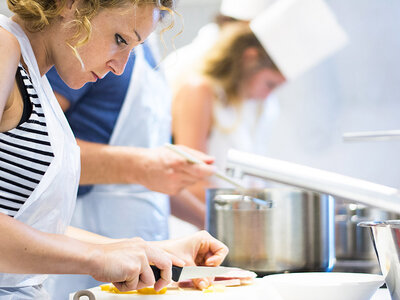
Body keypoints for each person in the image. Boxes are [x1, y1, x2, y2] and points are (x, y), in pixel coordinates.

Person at [0, 0, 228, 298]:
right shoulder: (3, 47)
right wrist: (96, 258)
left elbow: (29, 225)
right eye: (120, 39)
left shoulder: (33, 79)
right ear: (72, 5)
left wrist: (150, 251)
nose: (120, 67)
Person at [43, 20, 212, 300]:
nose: (120, 65)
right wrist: (141, 165)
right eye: (122, 40)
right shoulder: (81, 51)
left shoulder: (146, 48)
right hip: (78, 245)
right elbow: (44, 151)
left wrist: (204, 223)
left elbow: (149, 169)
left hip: (133, 248)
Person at [172, 0, 349, 201]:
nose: (268, 95)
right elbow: (193, 182)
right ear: (249, 58)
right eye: (270, 84)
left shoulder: (253, 104)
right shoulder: (199, 91)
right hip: (204, 222)